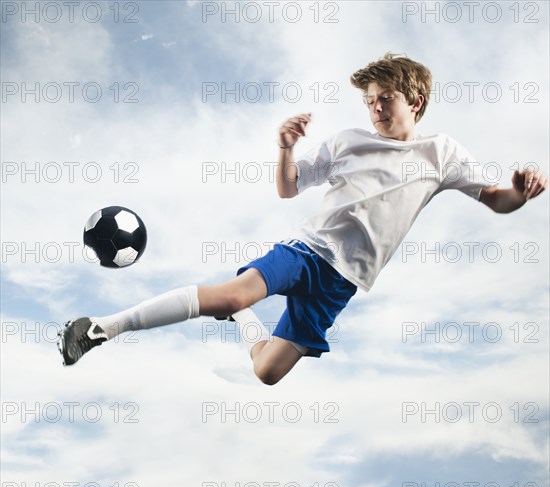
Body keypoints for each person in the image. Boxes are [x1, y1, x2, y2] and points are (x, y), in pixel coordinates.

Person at [57, 53, 548, 384]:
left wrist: (521, 194)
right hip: (308, 252)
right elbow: (289, 188)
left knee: (267, 372)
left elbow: (495, 198)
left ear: (415, 102)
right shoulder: (348, 142)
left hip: (344, 281)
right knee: (228, 293)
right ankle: (101, 327)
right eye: (369, 100)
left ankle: (242, 316)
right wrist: (286, 148)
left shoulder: (441, 153)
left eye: (386, 99)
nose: (375, 108)